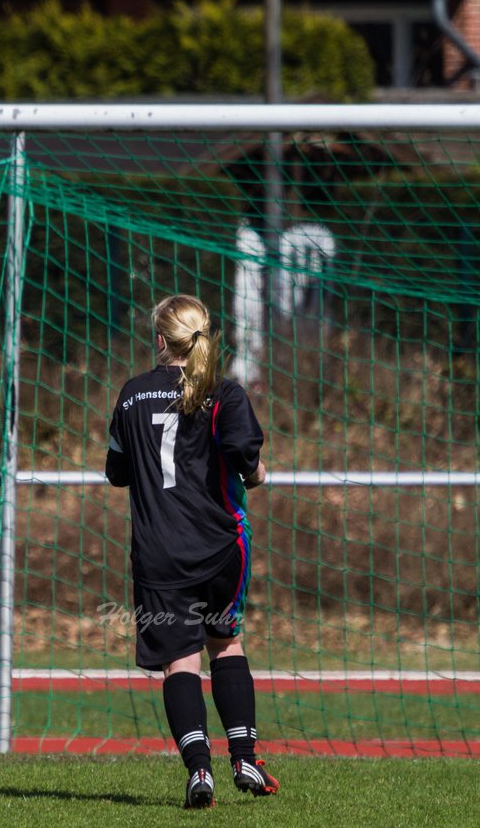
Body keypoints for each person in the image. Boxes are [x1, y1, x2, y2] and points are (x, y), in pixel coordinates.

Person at [105, 293, 278, 809]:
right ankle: (244, 756)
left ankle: (198, 770)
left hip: (158, 553)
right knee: (225, 643)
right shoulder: (223, 392)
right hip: (221, 547)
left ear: (161, 340)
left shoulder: (132, 394)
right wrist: (255, 473)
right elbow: (244, 454)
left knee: (180, 663)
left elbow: (117, 473)